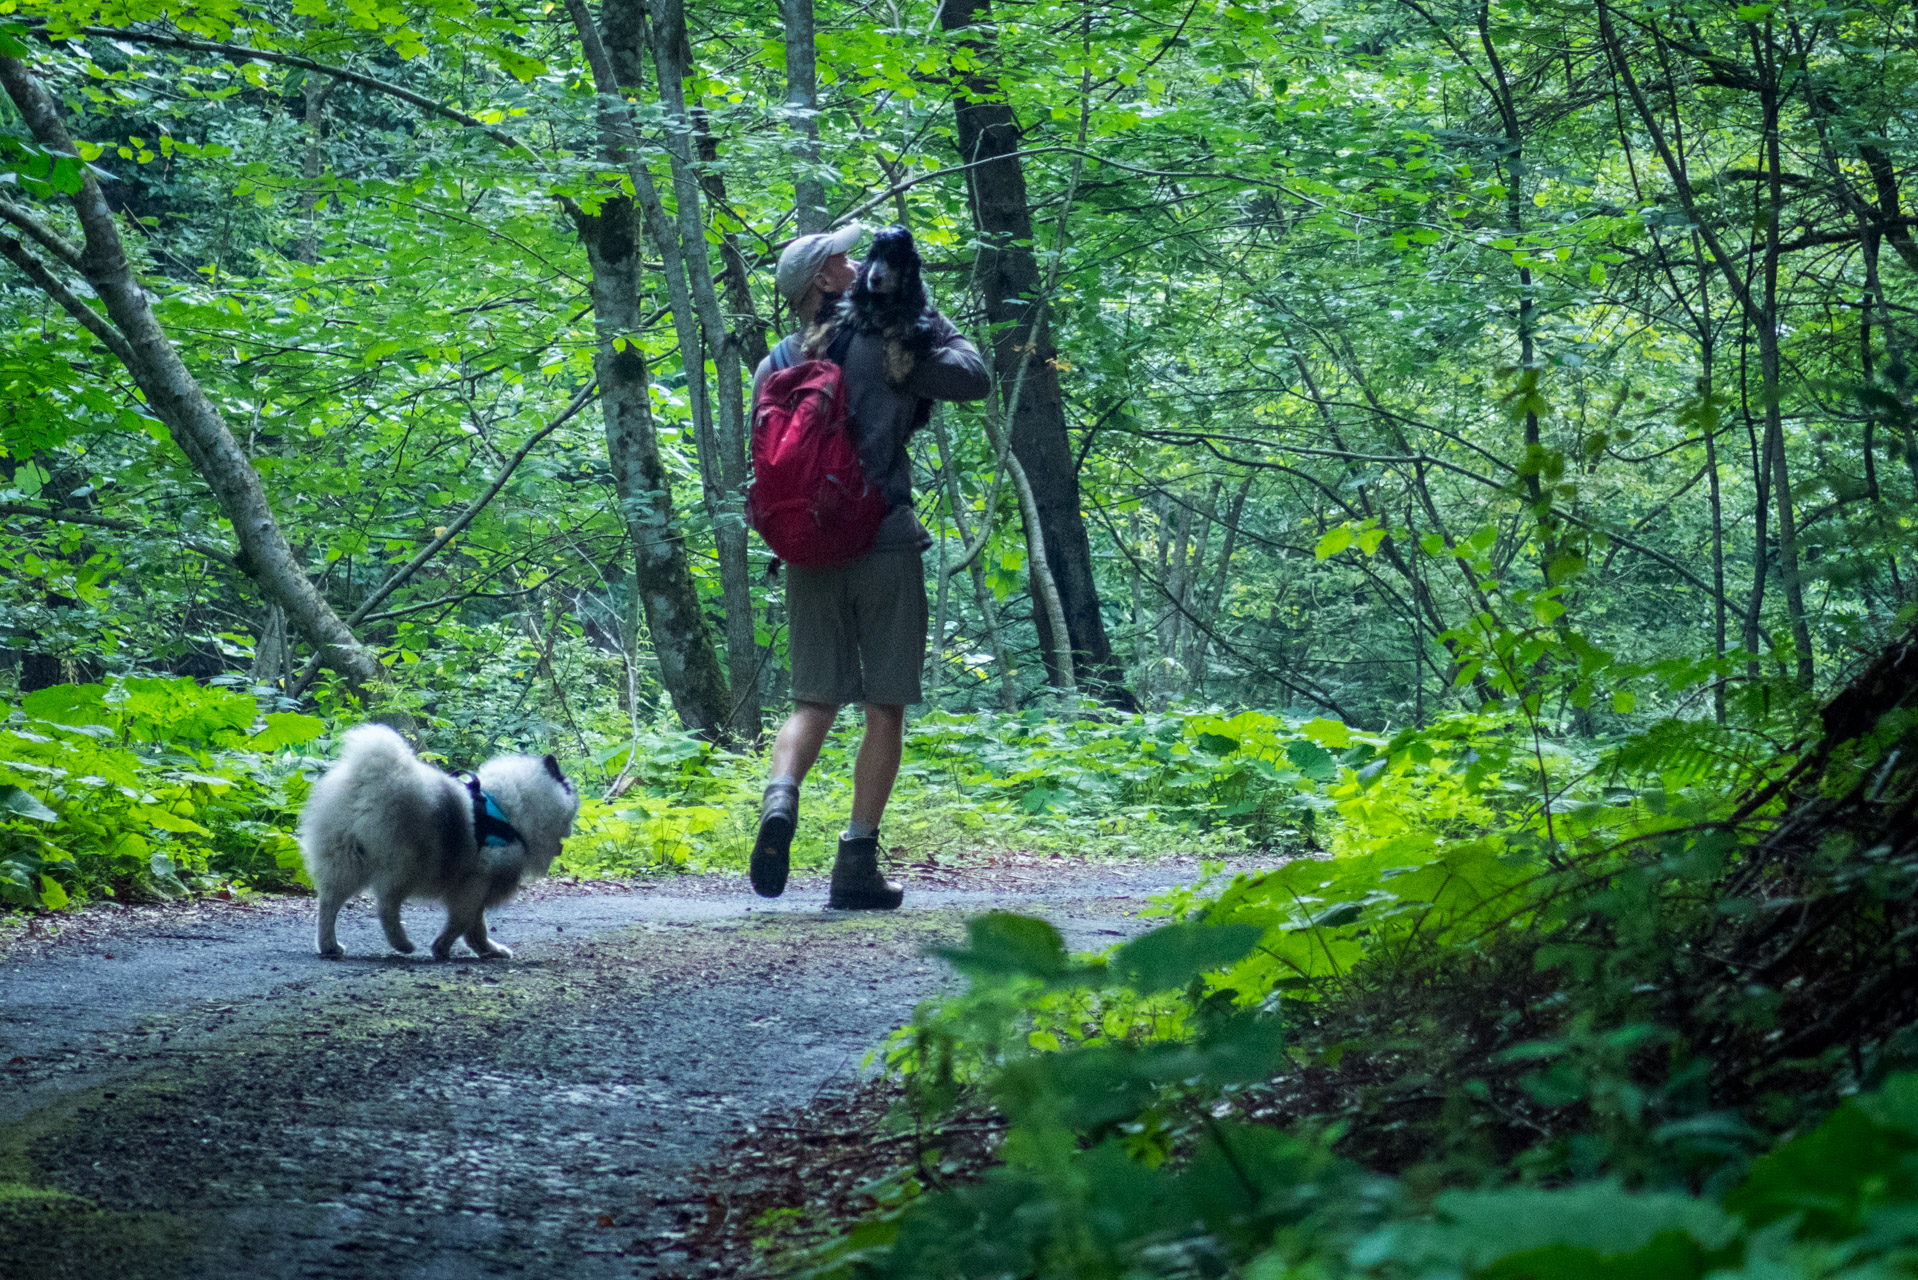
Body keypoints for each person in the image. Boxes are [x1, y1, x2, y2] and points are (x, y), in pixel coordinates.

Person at [747, 223, 991, 909]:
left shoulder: (777, 361)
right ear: (824, 281)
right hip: (883, 537)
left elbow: (759, 469)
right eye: (842, 260)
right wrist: (921, 323)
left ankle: (780, 801)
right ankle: (855, 862)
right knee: (884, 704)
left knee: (812, 699)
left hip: (806, 549)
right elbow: (975, 378)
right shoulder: (894, 339)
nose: (857, 266)